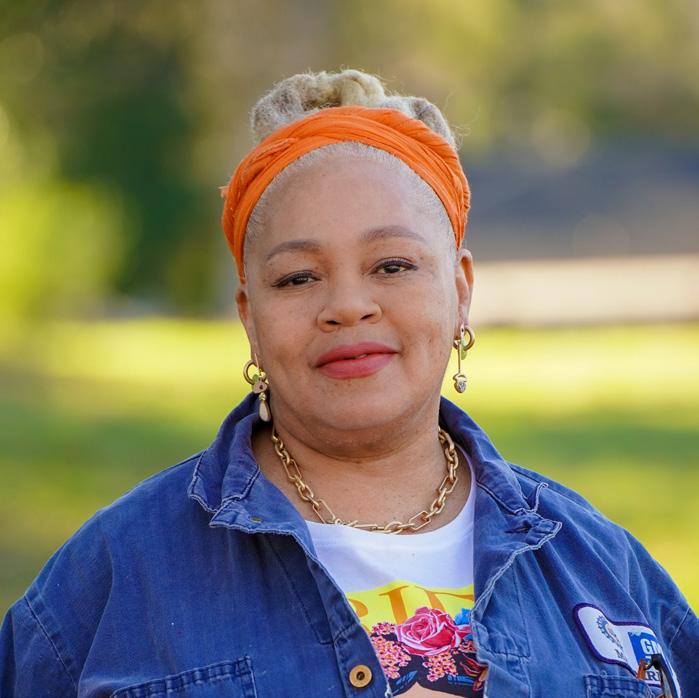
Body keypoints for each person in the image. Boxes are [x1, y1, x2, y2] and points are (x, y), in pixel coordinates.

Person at [0, 69, 696, 698]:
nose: (347, 306)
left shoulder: (604, 567)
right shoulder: (112, 579)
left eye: (392, 265)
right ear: (249, 317)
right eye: (297, 277)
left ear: (460, 291)